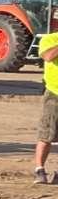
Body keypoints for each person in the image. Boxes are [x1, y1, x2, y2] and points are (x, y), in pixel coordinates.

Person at [38, 12, 58, 183]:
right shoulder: (49, 39)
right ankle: (40, 169)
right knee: (47, 134)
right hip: (54, 94)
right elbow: (48, 56)